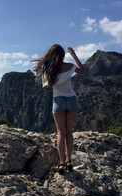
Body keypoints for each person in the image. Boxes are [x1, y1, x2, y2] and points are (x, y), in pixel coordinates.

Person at [33, 44, 85, 174]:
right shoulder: (70, 66)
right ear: (62, 55)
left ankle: (61, 163)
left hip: (58, 101)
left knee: (60, 133)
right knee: (69, 132)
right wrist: (74, 56)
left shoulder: (49, 70)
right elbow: (82, 71)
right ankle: (69, 160)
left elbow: (46, 86)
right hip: (71, 101)